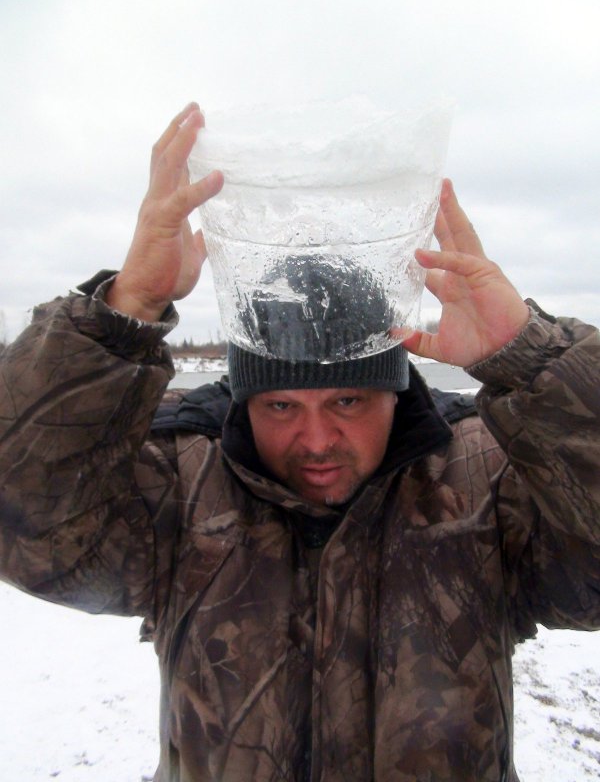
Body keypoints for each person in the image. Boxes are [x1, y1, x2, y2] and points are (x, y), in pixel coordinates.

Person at [0, 102, 599, 782]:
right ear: (242, 398)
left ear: (395, 393)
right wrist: (125, 309)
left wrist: (534, 360)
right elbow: (30, 528)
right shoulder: (184, 493)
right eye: (280, 403)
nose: (316, 439)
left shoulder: (482, 487)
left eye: (348, 400)